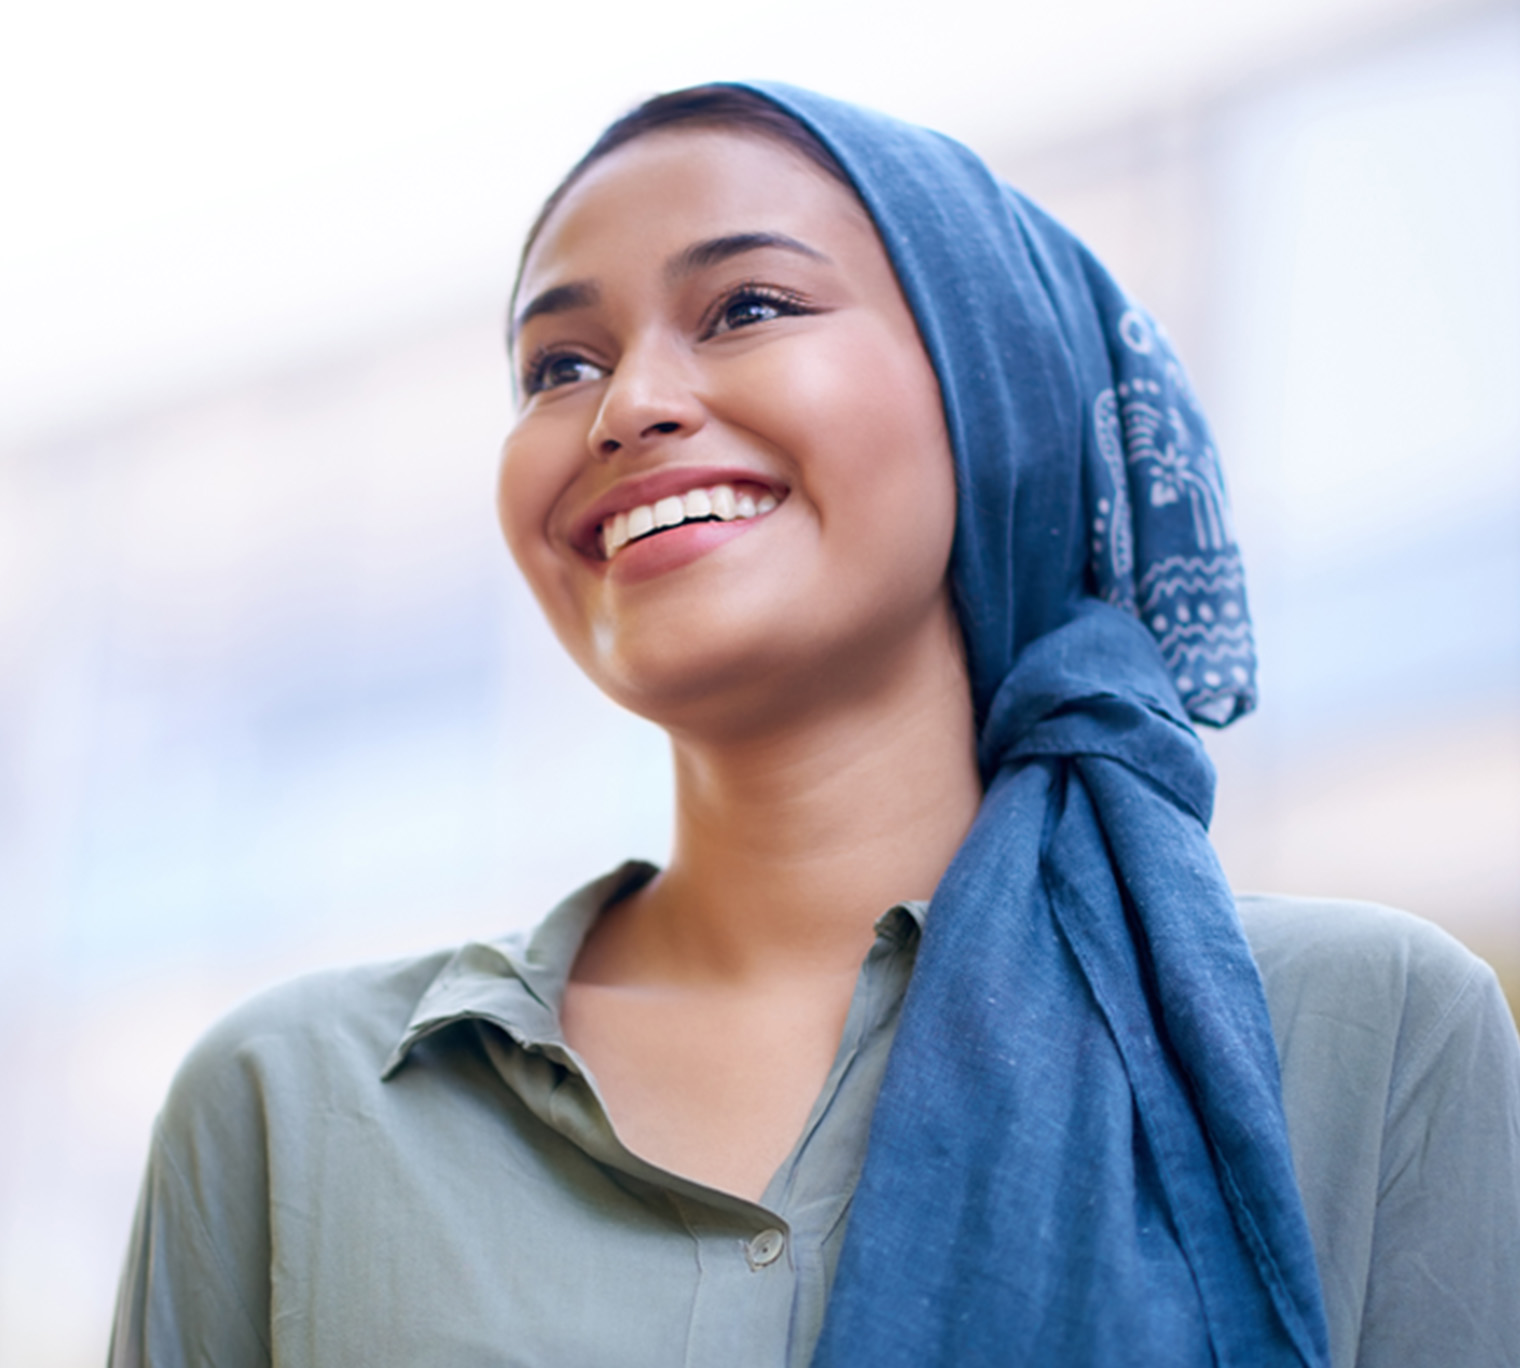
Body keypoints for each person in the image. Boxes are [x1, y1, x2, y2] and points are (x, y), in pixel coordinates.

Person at [109, 84, 1520, 1368]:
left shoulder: (1360, 1032)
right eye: (558, 366)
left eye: (750, 307)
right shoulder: (286, 1101)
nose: (628, 405)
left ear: (991, 401)